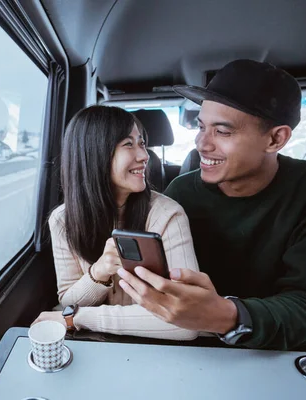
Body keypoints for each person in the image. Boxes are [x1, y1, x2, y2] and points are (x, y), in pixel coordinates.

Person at [117, 59, 306, 350]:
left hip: (289, 353)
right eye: (201, 126)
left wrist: (227, 316)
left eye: (222, 131)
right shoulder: (181, 190)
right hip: (196, 348)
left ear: (275, 139)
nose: (201, 144)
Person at [33, 105, 199, 340]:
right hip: (97, 345)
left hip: (159, 349)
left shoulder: (168, 214)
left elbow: (188, 321)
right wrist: (99, 271)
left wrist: (77, 319)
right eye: (128, 144)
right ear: (95, 154)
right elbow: (68, 300)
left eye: (141, 143)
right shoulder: (62, 220)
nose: (144, 155)